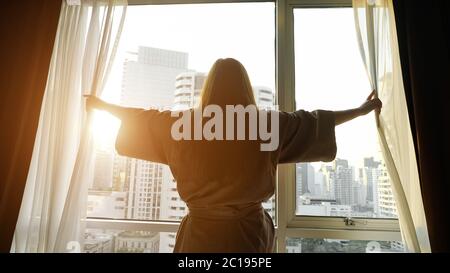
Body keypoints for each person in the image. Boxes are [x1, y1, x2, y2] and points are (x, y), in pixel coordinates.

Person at [85, 58, 382, 253]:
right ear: (245, 87)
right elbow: (315, 121)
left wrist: (102, 106)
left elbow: (140, 118)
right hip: (249, 237)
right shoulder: (265, 124)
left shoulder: (183, 124)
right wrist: (360, 110)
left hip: (199, 239)